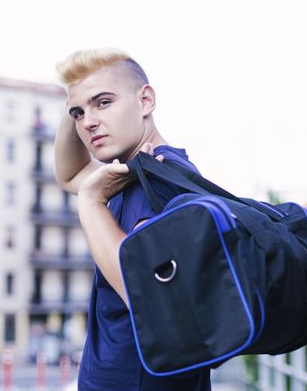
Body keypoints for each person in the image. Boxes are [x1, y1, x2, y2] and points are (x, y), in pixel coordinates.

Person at [54, 48, 211, 391]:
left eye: (104, 102)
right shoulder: (127, 174)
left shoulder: (160, 182)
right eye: (79, 113)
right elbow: (69, 175)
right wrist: (75, 100)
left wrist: (92, 202)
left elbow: (145, 296)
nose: (88, 122)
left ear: (146, 101)